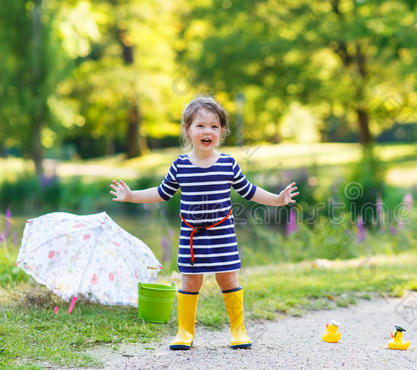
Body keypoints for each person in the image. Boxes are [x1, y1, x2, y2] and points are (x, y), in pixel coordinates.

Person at [110, 96, 298, 350]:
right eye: (200, 126)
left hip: (222, 234)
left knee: (228, 279)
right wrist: (131, 196)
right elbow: (162, 192)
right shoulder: (180, 165)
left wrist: (277, 200)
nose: (207, 131)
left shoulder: (228, 164)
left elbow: (249, 190)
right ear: (188, 130)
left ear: (221, 131)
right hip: (192, 236)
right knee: (190, 281)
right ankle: (185, 332)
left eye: (214, 126)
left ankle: (238, 330)